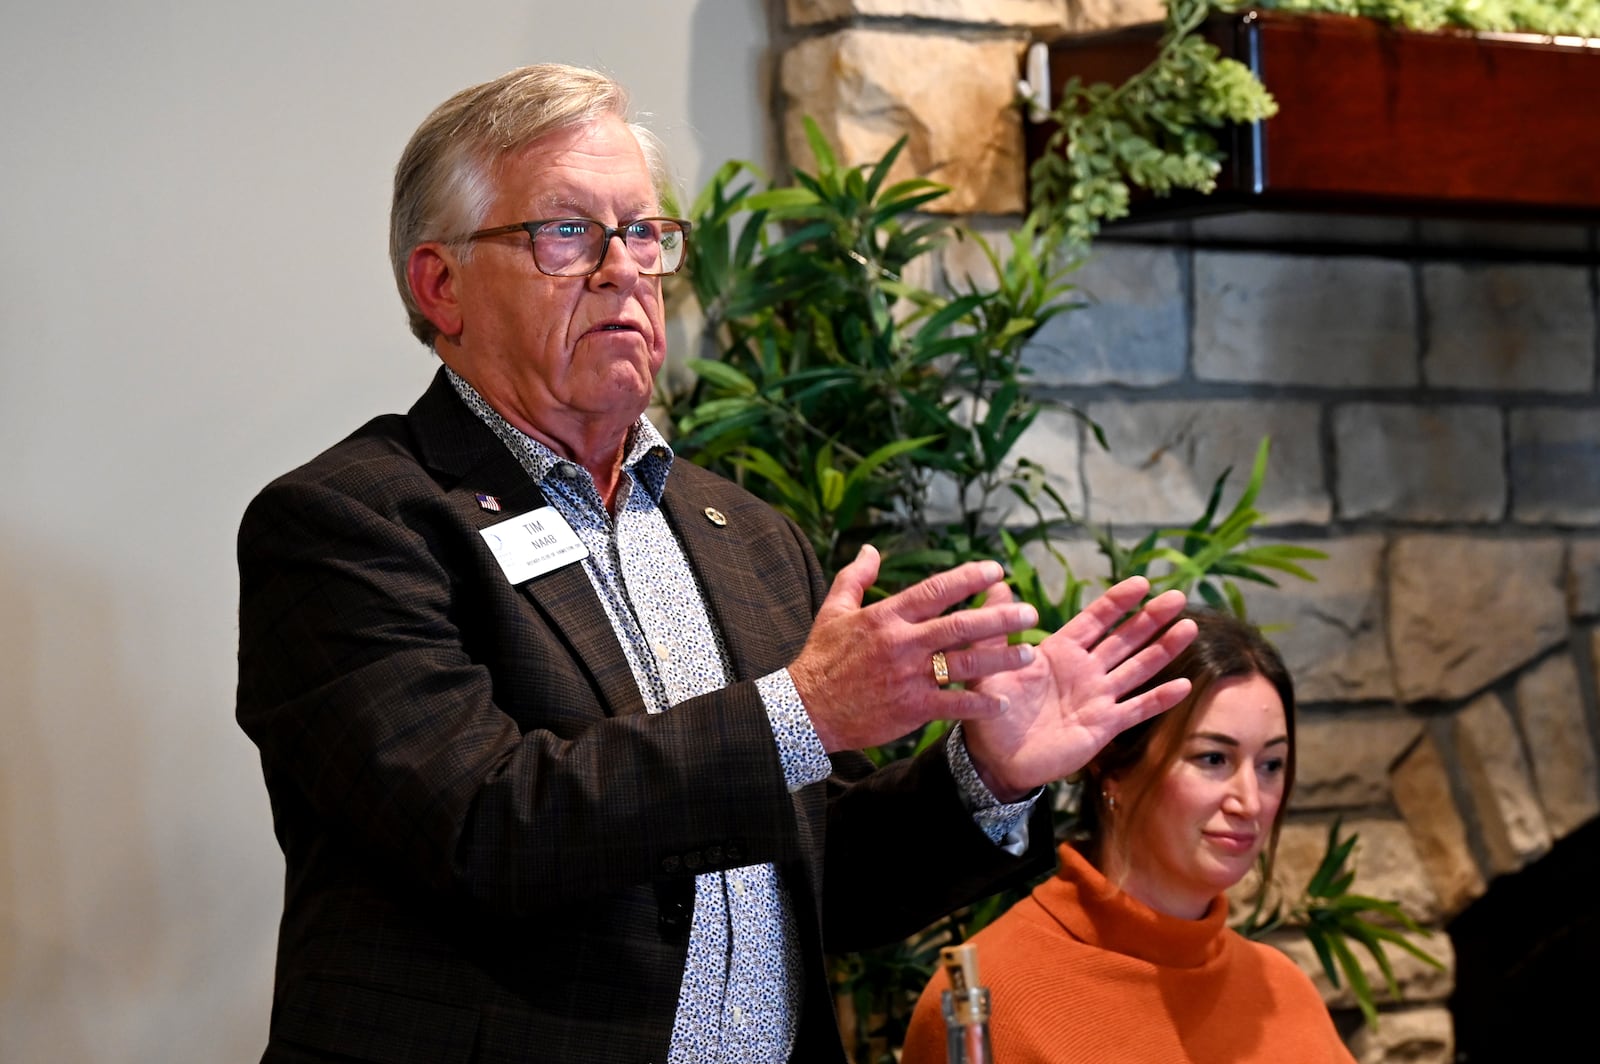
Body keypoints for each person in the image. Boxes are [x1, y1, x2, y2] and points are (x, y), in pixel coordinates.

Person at [234, 63, 1198, 1064]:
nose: (622, 270)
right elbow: (485, 826)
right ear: (440, 284)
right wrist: (804, 709)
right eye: (566, 233)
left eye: (643, 232)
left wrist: (984, 776)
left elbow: (827, 875)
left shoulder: (741, 530)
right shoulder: (350, 522)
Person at [900, 607, 1358, 1064]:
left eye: (1271, 765)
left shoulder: (1283, 990)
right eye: (1213, 759)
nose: (1251, 802)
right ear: (1112, 765)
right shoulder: (988, 995)